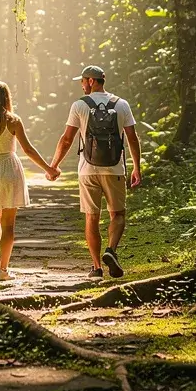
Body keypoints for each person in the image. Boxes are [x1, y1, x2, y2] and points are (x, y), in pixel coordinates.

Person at [47, 65, 142, 279]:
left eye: (82, 81)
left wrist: (53, 166)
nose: (81, 85)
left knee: (91, 217)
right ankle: (111, 250)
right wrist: (136, 166)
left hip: (87, 170)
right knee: (117, 214)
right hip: (115, 168)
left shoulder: (80, 105)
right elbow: (132, 138)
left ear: (91, 81)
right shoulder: (122, 105)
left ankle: (97, 267)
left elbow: (67, 139)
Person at [0, 81, 59, 281]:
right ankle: (3, 271)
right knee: (9, 225)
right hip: (10, 168)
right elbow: (28, 150)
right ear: (7, 98)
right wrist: (49, 169)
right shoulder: (14, 120)